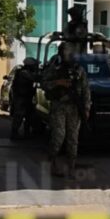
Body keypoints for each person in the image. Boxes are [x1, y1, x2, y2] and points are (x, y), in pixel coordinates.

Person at [42, 43, 90, 177]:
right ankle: (52, 163)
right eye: (66, 51)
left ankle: (71, 168)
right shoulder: (54, 68)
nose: (69, 54)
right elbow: (43, 84)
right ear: (61, 52)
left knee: (73, 139)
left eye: (71, 51)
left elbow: (86, 89)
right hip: (59, 106)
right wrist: (58, 82)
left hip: (74, 108)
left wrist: (86, 107)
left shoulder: (78, 69)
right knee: (59, 136)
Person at [9, 57, 40, 140]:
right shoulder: (24, 73)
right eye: (34, 65)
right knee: (19, 116)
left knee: (29, 116)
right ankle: (14, 133)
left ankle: (27, 132)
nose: (35, 67)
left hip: (26, 97)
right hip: (21, 98)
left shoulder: (24, 72)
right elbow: (35, 78)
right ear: (30, 65)